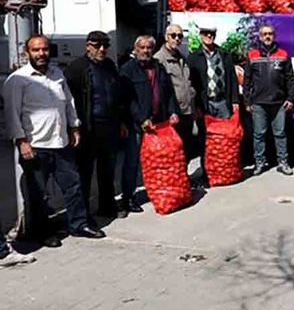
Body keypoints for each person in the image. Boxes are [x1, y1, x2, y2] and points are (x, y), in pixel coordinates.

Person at [3, 35, 106, 246]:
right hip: (36, 146)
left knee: (73, 187)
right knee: (38, 194)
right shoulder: (17, 80)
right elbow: (12, 114)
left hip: (61, 143)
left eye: (45, 49)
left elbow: (69, 103)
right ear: (27, 53)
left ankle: (79, 225)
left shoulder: (57, 74)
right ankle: (42, 233)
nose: (41, 54)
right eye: (36, 50)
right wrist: (22, 141)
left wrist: (74, 127)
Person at [65, 30, 127, 219]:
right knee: (84, 173)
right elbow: (68, 101)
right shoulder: (77, 68)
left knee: (107, 171)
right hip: (87, 129)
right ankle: (82, 214)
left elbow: (118, 96)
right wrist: (73, 128)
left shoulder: (109, 66)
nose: (102, 49)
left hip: (110, 127)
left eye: (105, 46)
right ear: (88, 46)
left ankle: (107, 207)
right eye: (97, 45)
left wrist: (121, 121)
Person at [119, 35, 180, 217]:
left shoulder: (159, 68)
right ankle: (128, 198)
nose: (146, 51)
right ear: (136, 49)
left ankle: (159, 190)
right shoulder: (128, 70)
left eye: (149, 48)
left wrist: (173, 111)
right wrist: (141, 119)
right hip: (138, 125)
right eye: (142, 47)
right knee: (132, 162)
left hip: (159, 124)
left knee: (160, 161)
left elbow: (168, 92)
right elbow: (127, 99)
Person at [245, 25, 294, 177]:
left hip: (279, 103)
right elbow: (247, 80)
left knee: (280, 134)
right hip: (258, 103)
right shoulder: (252, 55)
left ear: (274, 36)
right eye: (264, 34)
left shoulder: (283, 54)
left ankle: (283, 162)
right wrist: (247, 102)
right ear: (260, 37)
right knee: (258, 135)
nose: (267, 37)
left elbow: (290, 78)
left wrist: (290, 98)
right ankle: (259, 162)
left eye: (270, 34)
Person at [153, 24, 197, 169]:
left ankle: (183, 176)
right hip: (173, 113)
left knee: (187, 149)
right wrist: (168, 111)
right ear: (166, 37)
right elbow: (159, 89)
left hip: (187, 111)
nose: (177, 39)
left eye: (180, 36)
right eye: (173, 35)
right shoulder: (159, 59)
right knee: (174, 151)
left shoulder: (181, 57)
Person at [188, 25, 239, 120]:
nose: (209, 35)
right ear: (200, 35)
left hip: (223, 102)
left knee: (224, 128)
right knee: (205, 129)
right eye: (205, 33)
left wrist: (235, 100)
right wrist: (196, 105)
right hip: (204, 104)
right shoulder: (193, 58)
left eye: (211, 33)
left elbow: (232, 79)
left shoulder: (225, 55)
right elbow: (191, 84)